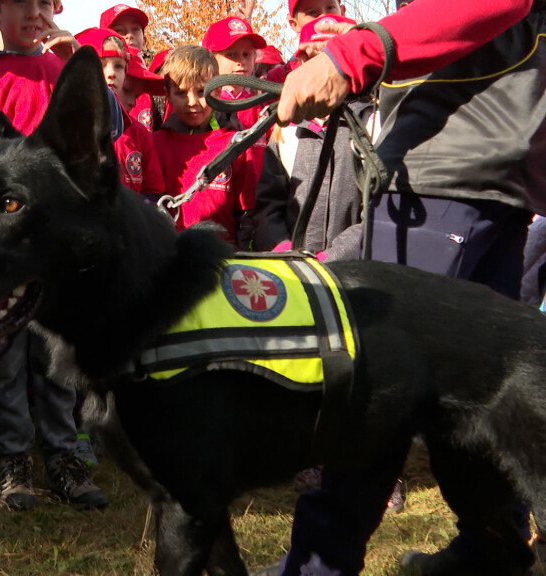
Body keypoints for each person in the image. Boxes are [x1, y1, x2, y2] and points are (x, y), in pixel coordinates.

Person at [267, 1, 545, 574]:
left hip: (447, 172)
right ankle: (492, 551)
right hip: (489, 175)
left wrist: (355, 53)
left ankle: (321, 563)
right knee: (474, 393)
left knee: (375, 382)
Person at [0, 0, 108, 511]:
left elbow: (97, 135)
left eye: (44, 3)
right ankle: (14, 462)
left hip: (52, 251)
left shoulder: (60, 72)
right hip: (1, 248)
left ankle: (63, 457)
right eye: (19, 3)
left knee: (56, 359)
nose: (34, 12)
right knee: (1, 357)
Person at [251, 14, 367, 261]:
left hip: (353, 275)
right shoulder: (286, 130)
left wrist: (332, 259)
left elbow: (377, 214)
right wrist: (285, 253)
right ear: (302, 60)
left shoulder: (371, 125)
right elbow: (268, 207)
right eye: (316, 58)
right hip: (293, 272)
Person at [152, 45, 253, 241]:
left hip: (226, 258)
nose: (192, 102)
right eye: (182, 93)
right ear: (167, 93)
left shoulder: (234, 144)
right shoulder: (156, 145)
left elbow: (248, 213)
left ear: (217, 91)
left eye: (200, 92)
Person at [76, 27, 165, 202]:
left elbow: (152, 192)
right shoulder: (68, 128)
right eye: (101, 65)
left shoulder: (139, 134)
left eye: (119, 67)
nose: (111, 74)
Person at [202, 15, 269, 248]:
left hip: (259, 206)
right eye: (231, 55)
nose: (240, 62)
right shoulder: (203, 105)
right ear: (212, 59)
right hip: (217, 204)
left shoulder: (264, 105)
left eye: (246, 54)